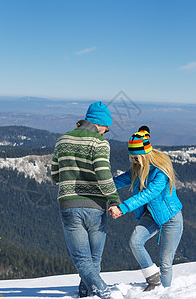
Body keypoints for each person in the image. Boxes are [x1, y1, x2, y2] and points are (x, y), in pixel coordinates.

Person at [51, 101, 120, 299]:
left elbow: (55, 175)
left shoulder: (62, 140)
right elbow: (103, 174)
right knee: (93, 259)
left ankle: (85, 295)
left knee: (83, 261)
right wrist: (114, 199)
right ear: (99, 124)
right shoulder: (99, 143)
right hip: (96, 207)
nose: (105, 133)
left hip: (69, 205)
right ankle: (105, 295)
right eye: (106, 129)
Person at [109, 126, 183, 291]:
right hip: (151, 216)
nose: (133, 161)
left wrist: (122, 208)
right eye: (132, 158)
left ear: (145, 155)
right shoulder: (137, 168)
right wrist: (100, 185)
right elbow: (118, 181)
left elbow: (149, 194)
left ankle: (165, 292)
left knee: (165, 263)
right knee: (135, 242)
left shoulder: (161, 172)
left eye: (136, 158)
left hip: (171, 219)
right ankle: (153, 279)